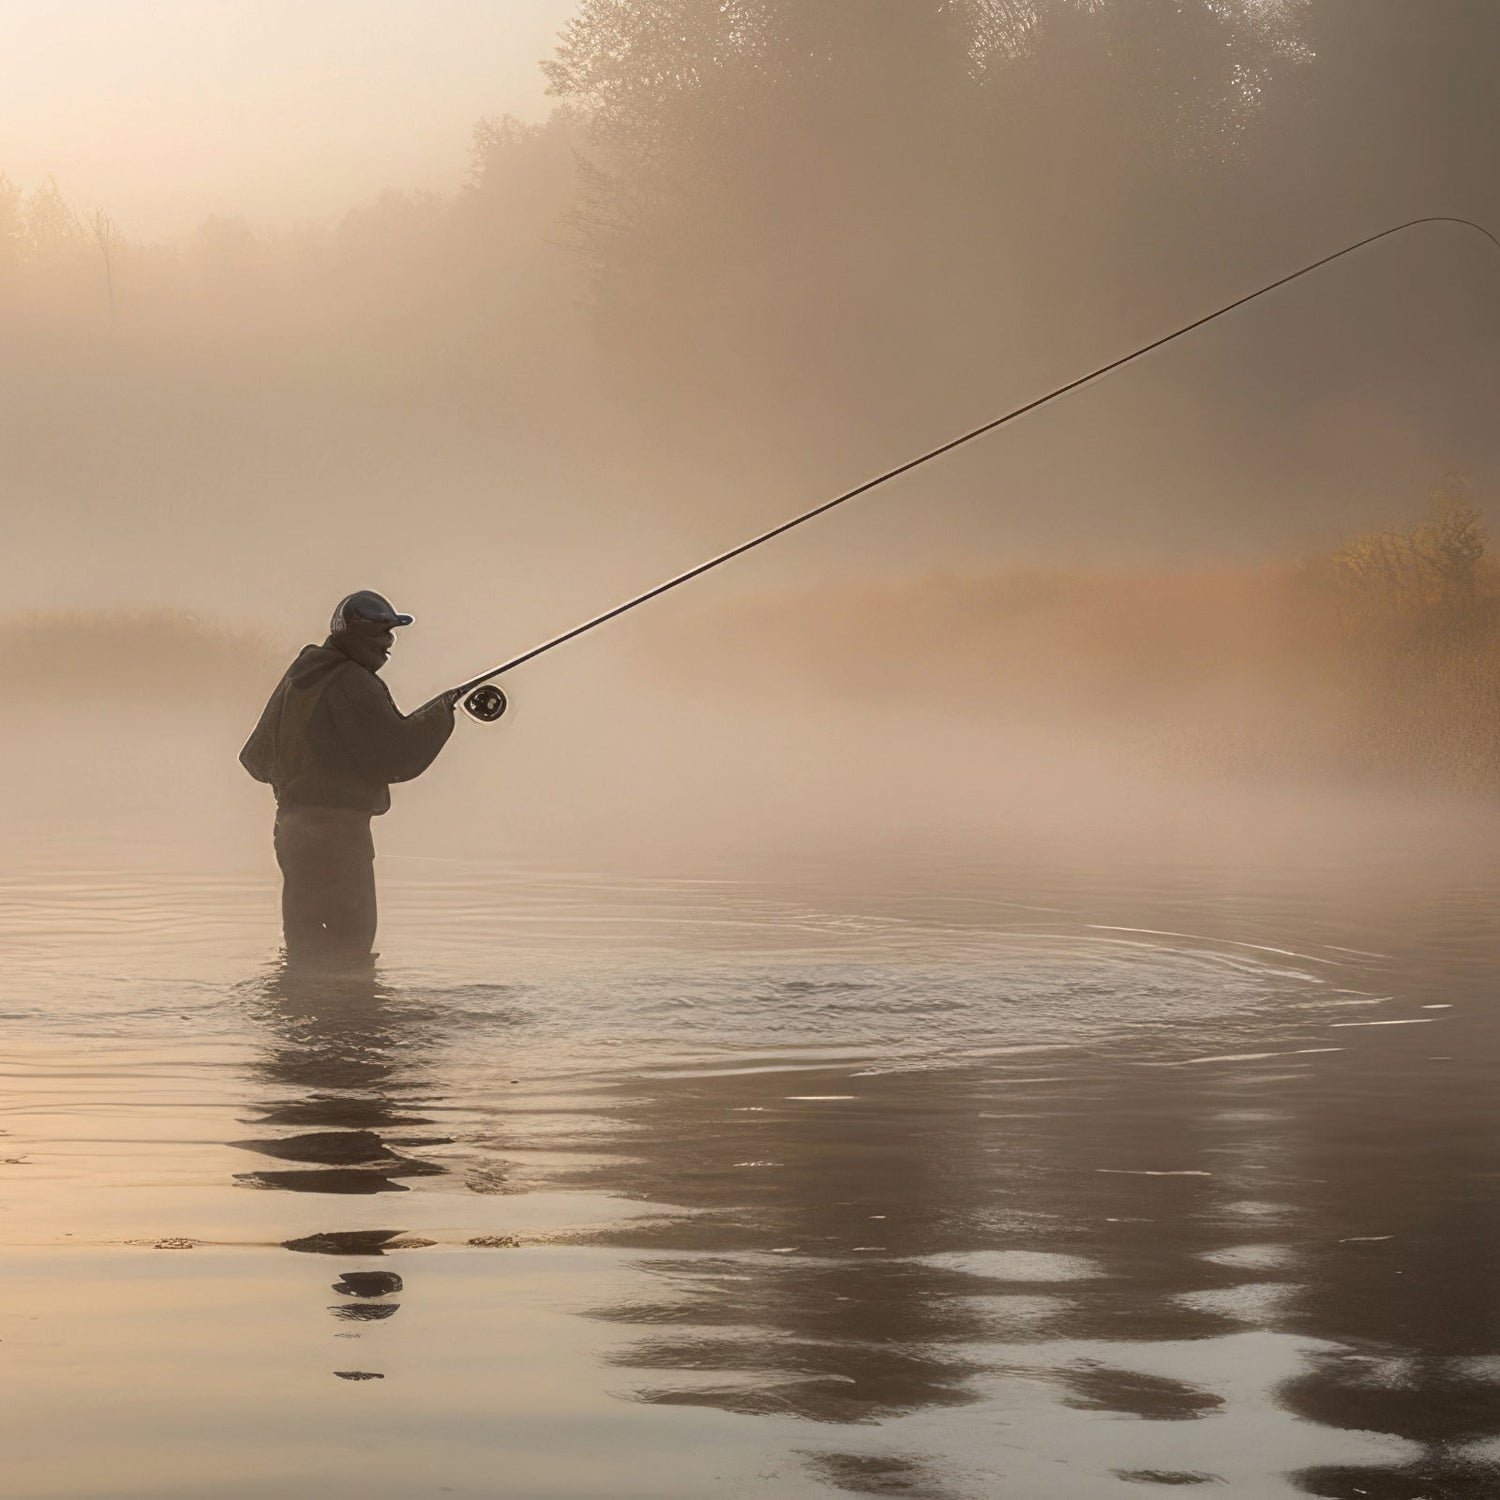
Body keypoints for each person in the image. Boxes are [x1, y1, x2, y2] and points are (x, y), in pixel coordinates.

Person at [240, 590, 457, 966]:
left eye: (390, 633)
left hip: (291, 833)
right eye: (378, 634)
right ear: (352, 636)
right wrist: (441, 713)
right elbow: (395, 756)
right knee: (351, 951)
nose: (387, 642)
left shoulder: (302, 675)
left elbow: (256, 758)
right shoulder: (353, 682)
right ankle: (351, 1022)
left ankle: (300, 1020)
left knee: (303, 954)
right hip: (340, 837)